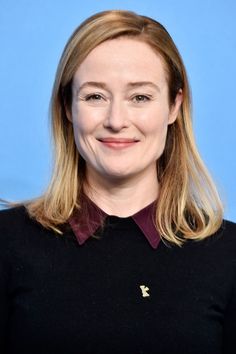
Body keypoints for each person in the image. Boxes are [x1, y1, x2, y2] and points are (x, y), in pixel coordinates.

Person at [0, 9, 235, 354]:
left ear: (174, 106)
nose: (116, 120)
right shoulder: (7, 243)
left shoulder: (229, 257)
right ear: (68, 107)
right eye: (95, 96)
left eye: (140, 97)